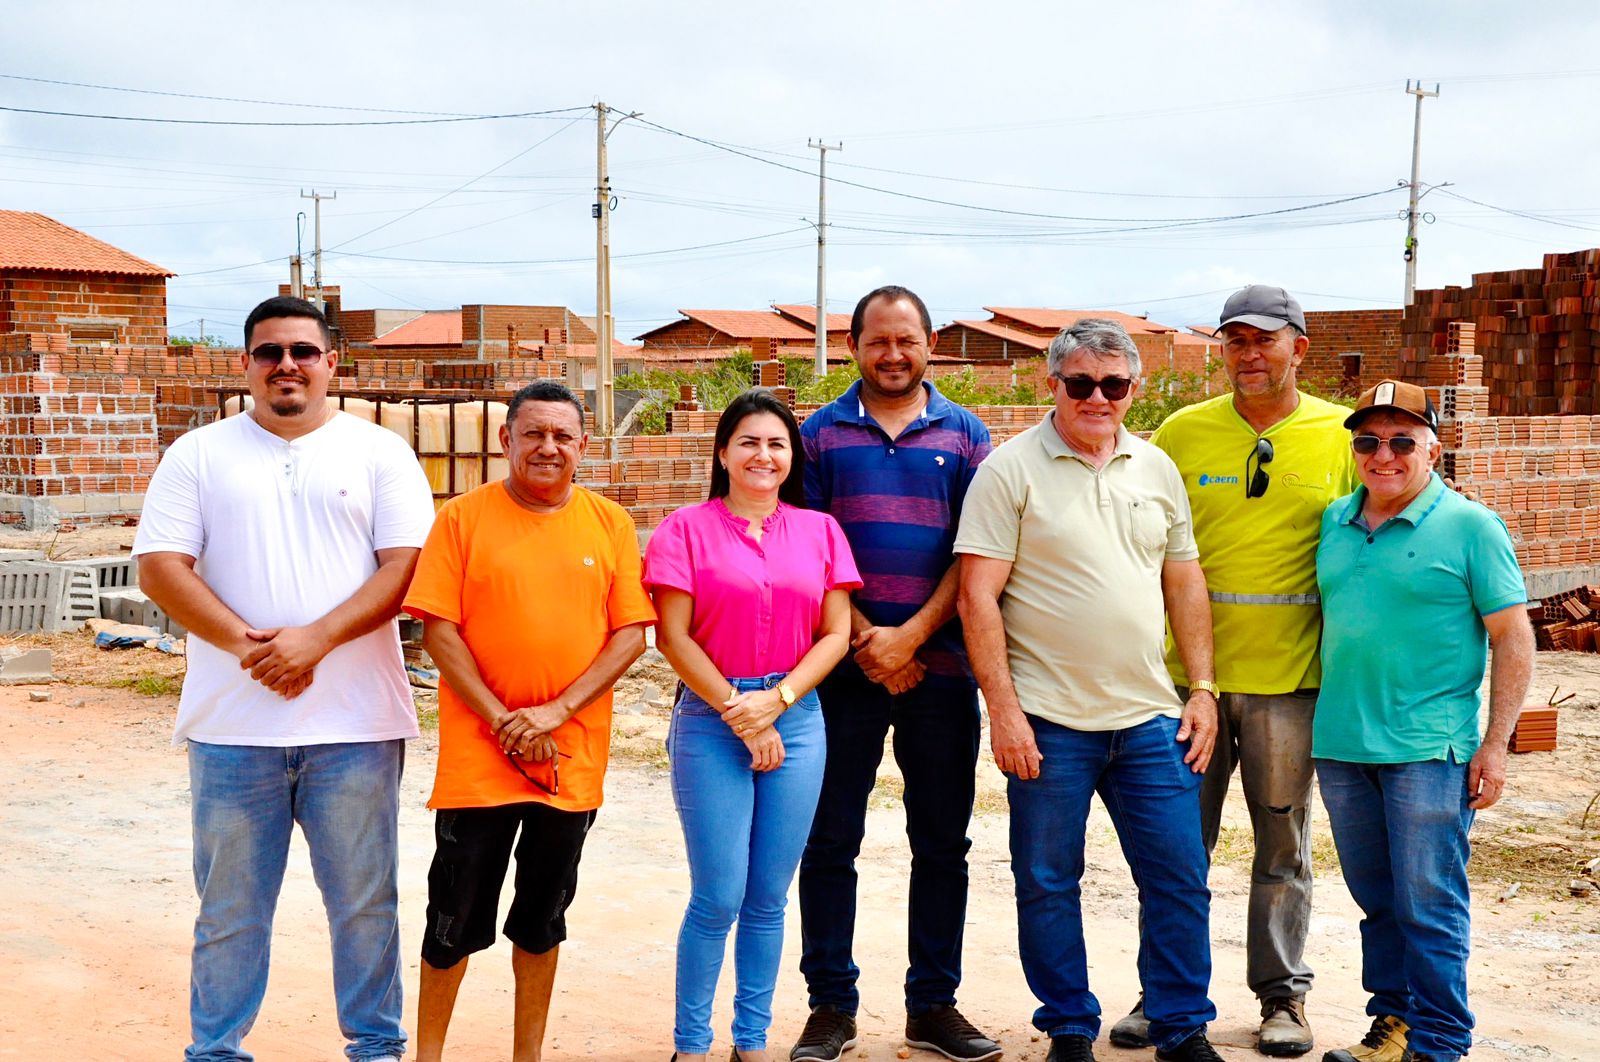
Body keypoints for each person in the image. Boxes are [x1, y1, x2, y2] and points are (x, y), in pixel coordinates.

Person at [135, 295, 436, 1062]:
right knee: (231, 909)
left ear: (333, 362)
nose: (287, 366)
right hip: (233, 729)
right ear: (247, 365)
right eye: (269, 353)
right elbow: (162, 568)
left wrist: (315, 642)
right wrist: (252, 648)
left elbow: (405, 570)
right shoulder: (197, 456)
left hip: (356, 728)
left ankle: (375, 1048)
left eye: (303, 351)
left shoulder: (381, 453)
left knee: (366, 906)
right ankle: (216, 1051)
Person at [955, 318, 1224, 1062]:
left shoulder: (1156, 468)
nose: (1097, 398)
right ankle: (1068, 1026)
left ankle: (1179, 1026)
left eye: (1113, 385)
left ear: (1133, 390)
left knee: (1178, 879)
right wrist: (1004, 713)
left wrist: (1202, 689)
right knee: (1046, 883)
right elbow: (977, 599)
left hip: (1148, 721)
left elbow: (1184, 579)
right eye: (1081, 383)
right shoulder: (1009, 471)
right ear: (1054, 385)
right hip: (1047, 723)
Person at [1113, 285, 1358, 1057]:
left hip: (1292, 682)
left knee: (1282, 848)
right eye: (1235, 342)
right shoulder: (1183, 435)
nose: (1249, 356)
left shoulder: (1343, 437)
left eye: (1265, 341)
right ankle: (1167, 992)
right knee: (1176, 847)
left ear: (1299, 348)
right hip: (1189, 686)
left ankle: (1283, 998)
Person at [402, 380, 655, 1062]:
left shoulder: (609, 524)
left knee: (542, 921)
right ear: (505, 439)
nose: (549, 447)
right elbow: (438, 630)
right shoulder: (462, 519)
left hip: (568, 763)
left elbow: (631, 633)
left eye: (563, 435)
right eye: (534, 433)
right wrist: (502, 719)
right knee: (451, 919)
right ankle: (427, 1056)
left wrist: (554, 712)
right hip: (478, 766)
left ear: (583, 445)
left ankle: (528, 1057)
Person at [793, 285, 997, 1062]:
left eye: (906, 340)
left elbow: (973, 556)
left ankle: (933, 1005)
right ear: (854, 346)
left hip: (941, 673)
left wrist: (909, 639)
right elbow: (808, 552)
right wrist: (871, 648)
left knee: (941, 842)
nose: (892, 355)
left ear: (930, 343)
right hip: (840, 672)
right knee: (829, 840)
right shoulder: (818, 437)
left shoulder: (968, 436)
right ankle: (830, 1008)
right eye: (878, 342)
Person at [1314, 381, 1534, 1062]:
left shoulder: (1470, 527)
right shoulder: (1335, 519)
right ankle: (1394, 1025)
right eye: (1368, 441)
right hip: (1343, 745)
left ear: (1433, 450)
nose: (1384, 454)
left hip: (1427, 751)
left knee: (1429, 905)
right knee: (1379, 902)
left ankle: (1439, 1043)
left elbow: (1513, 636)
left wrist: (1494, 745)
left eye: (1402, 440)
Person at [644, 388, 861, 1062]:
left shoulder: (820, 531)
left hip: (796, 723)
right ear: (723, 452)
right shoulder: (684, 529)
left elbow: (837, 632)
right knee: (718, 895)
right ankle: (691, 1045)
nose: (763, 455)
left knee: (768, 897)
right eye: (749, 442)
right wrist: (743, 713)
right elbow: (673, 638)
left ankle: (752, 1041)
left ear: (790, 455)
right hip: (712, 721)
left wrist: (780, 701)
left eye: (776, 443)